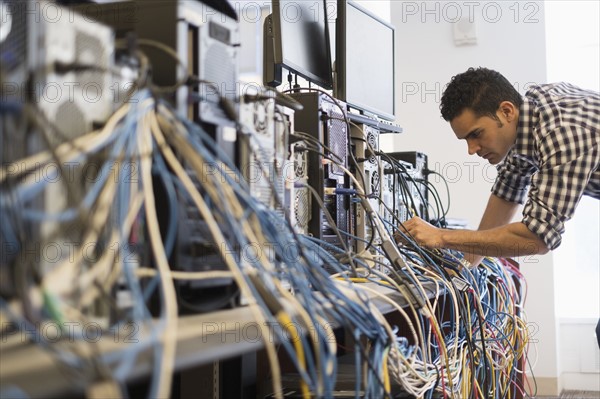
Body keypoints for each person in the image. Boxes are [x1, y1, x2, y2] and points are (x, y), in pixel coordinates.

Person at [398, 67, 600, 347]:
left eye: (476, 134)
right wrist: (463, 269)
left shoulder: (562, 131)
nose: (471, 149)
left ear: (506, 111)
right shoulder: (528, 115)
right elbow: (507, 194)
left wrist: (441, 237)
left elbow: (536, 239)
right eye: (466, 140)